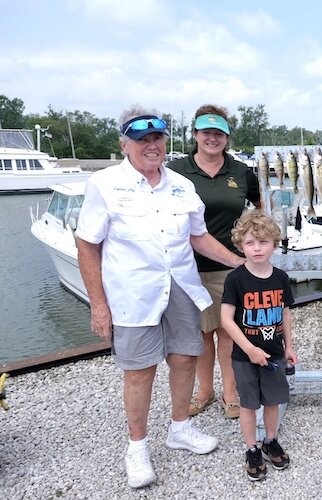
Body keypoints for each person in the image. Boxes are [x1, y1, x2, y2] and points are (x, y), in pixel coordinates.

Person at [75, 106, 246, 489]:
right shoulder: (104, 184)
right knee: (139, 370)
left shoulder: (182, 186)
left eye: (157, 138)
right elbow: (87, 245)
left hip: (182, 287)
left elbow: (198, 237)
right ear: (125, 144)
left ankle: (180, 427)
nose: (152, 146)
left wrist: (240, 263)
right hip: (133, 294)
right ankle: (137, 447)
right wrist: (99, 305)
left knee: (185, 358)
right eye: (142, 140)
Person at [168, 105, 261, 420]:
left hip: (229, 266)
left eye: (218, 133)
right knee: (200, 335)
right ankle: (204, 390)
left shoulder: (241, 172)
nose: (212, 138)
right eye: (206, 132)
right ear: (195, 135)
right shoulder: (176, 171)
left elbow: (262, 208)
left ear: (227, 137)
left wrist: (256, 246)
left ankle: (230, 392)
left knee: (228, 331)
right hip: (187, 267)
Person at [220, 210, 298, 481]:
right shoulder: (236, 279)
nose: (256, 248)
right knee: (248, 404)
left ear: (275, 245)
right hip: (244, 356)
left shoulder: (280, 278)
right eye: (250, 243)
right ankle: (251, 447)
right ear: (240, 245)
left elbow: (285, 312)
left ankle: (270, 440)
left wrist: (289, 346)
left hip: (274, 353)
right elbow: (226, 319)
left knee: (273, 400)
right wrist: (249, 349)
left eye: (263, 242)